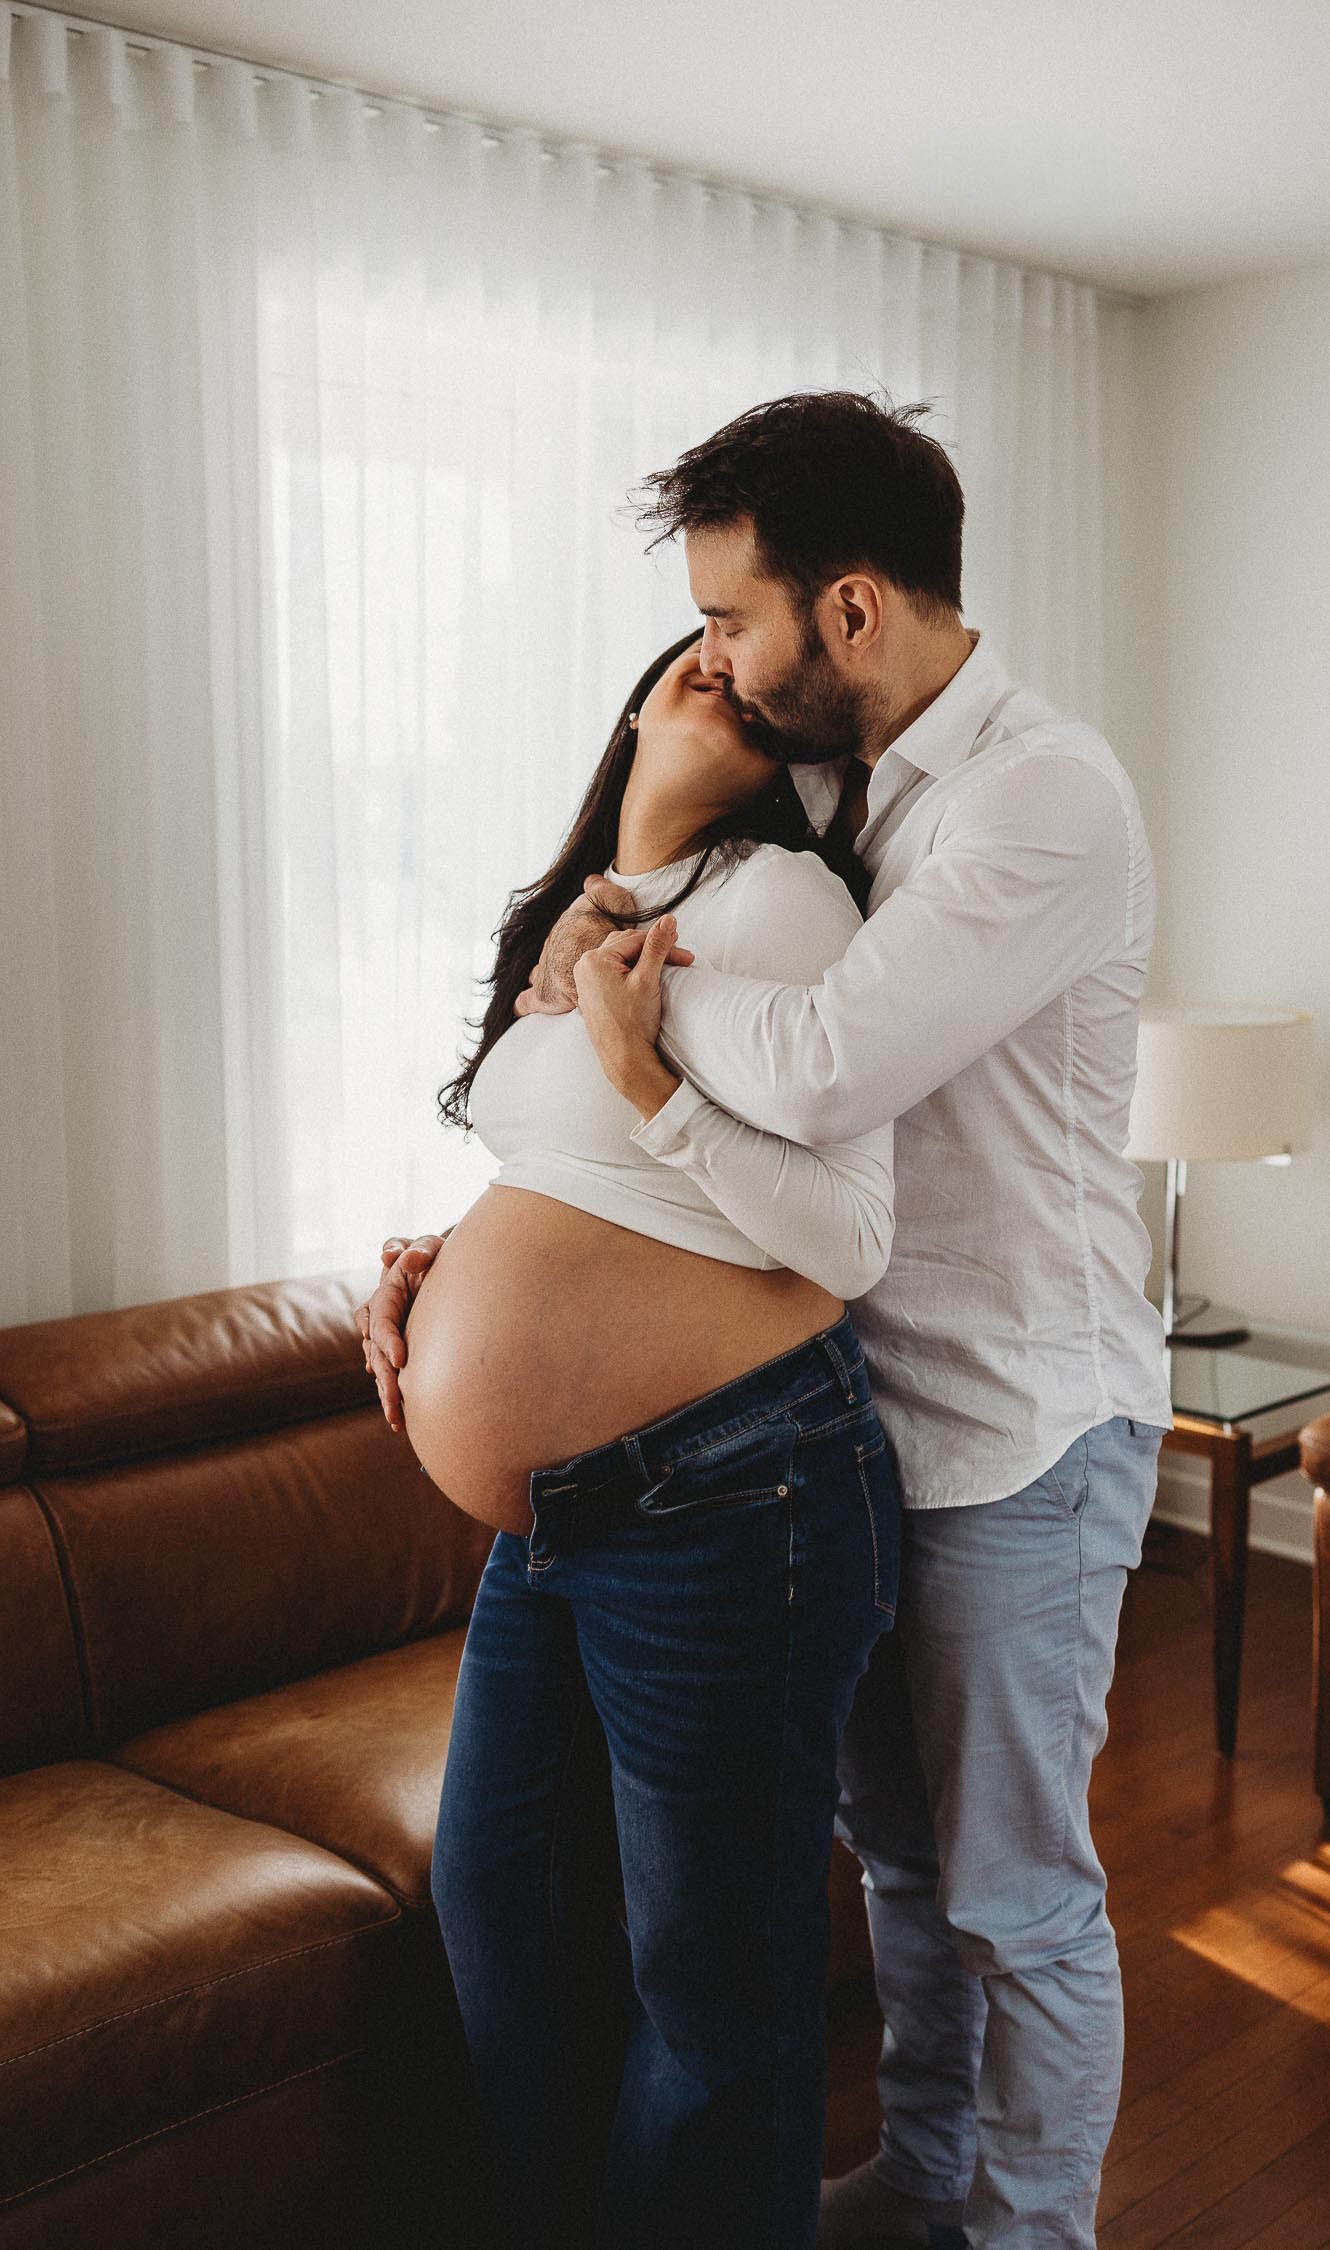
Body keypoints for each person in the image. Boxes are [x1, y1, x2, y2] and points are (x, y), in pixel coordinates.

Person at [371, 389, 1173, 2249]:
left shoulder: (1044, 792)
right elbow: (662, 1146)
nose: (711, 655)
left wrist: (621, 972)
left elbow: (818, 1064)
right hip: (862, 1416)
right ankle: (919, 2183)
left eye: (732, 618)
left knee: (1015, 1891)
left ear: (856, 610)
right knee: (900, 1866)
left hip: (1023, 1422)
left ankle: (1027, 2230)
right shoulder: (844, 791)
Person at [357, 628, 902, 2250]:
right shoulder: (588, 920)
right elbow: (592, 1185)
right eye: (700, 644)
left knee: (712, 1992)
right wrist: (438, 1270)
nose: (724, 660)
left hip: (739, 1493)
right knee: (500, 1902)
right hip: (567, 1520)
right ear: (639, 694)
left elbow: (838, 1231)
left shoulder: (784, 907)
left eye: (754, 649)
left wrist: (635, 1070)